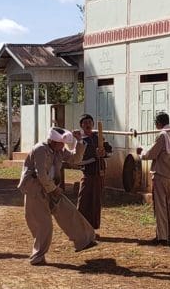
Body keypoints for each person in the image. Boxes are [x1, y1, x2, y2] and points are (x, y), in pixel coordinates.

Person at [18, 127, 97, 266]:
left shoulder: (59, 150)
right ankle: (37, 257)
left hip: (51, 189)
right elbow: (41, 173)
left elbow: (74, 159)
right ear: (53, 141)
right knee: (44, 225)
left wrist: (79, 142)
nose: (63, 146)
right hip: (36, 190)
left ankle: (84, 240)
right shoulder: (40, 149)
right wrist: (53, 189)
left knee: (69, 211)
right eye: (61, 143)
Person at [137, 113, 170, 244]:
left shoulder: (162, 136)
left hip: (160, 175)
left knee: (160, 206)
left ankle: (162, 236)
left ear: (158, 123)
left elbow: (151, 153)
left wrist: (141, 153)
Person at [75, 113, 113, 230]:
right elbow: (78, 161)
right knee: (84, 200)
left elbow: (110, 152)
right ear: (81, 125)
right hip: (87, 174)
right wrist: (94, 157)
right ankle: (80, 228)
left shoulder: (99, 138)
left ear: (93, 124)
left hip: (99, 173)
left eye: (90, 122)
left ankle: (93, 228)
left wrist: (104, 154)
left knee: (96, 201)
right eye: (85, 123)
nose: (88, 124)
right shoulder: (80, 141)